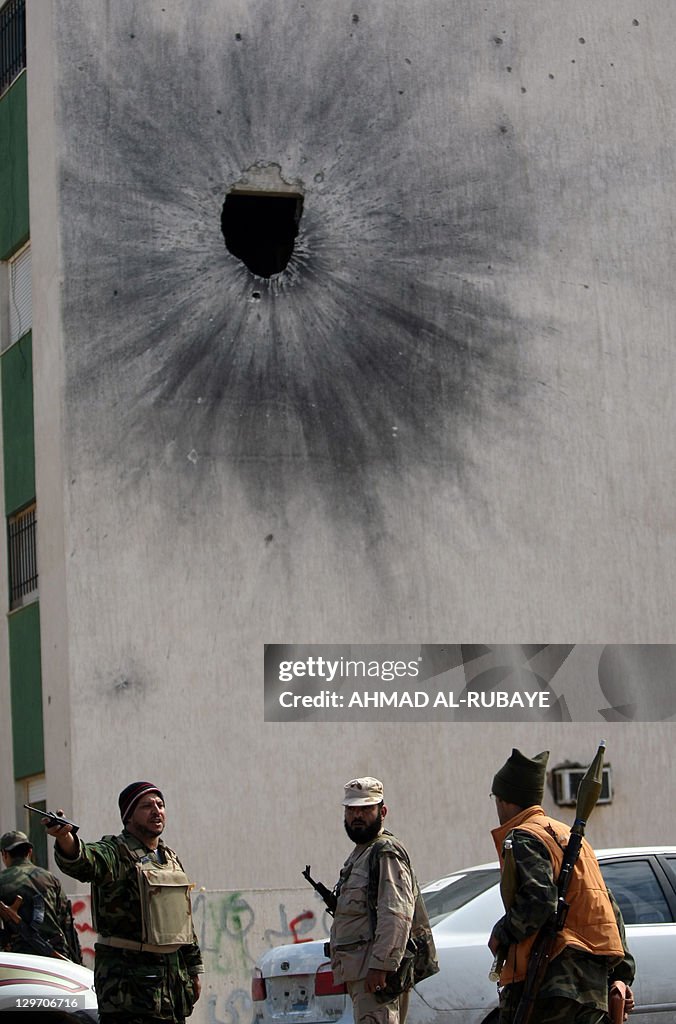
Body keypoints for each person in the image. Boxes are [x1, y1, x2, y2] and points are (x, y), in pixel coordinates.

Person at [487, 749, 635, 1024]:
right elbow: (606, 906)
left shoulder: (525, 837)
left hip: (551, 983)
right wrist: (621, 974)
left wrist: (502, 933)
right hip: (591, 988)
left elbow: (540, 900)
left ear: (504, 799)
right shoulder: (571, 839)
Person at [45, 782, 203, 1024]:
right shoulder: (115, 853)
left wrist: (194, 970)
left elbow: (183, 921)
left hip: (172, 991)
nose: (156, 811)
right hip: (129, 995)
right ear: (128, 816)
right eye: (146, 806)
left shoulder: (169, 858)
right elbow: (84, 859)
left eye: (160, 805)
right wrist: (66, 837)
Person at [329, 776, 430, 1024]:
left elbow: (396, 914)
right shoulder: (362, 853)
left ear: (382, 811)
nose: (357, 816)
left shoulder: (385, 852)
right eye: (352, 810)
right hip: (362, 973)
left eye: (366, 808)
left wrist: (381, 966)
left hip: (376, 975)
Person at [0, 829, 81, 961]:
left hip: (20, 960)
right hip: (57, 958)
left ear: (4, 854)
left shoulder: (2, 881)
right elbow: (67, 925)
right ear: (30, 852)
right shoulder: (50, 879)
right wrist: (77, 962)